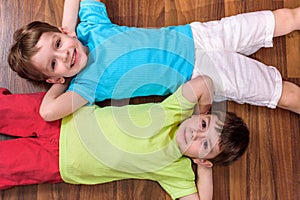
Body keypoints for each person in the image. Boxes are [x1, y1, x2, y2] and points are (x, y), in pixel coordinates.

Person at [8, 0, 300, 122]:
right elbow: (48, 112)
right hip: (205, 75)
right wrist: (61, 83)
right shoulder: (85, 86)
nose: (65, 55)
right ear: (54, 77)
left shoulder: (90, 28)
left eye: (58, 44)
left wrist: (68, 26)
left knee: (286, 17)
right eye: (54, 64)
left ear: (63, 33)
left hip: (200, 36)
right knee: (285, 95)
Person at [0, 75, 249, 200]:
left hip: (59, 161)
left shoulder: (176, 170)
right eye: (204, 125)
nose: (196, 132)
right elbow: (204, 83)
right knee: (6, 109)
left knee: (6, 165)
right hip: (65, 117)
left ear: (203, 159)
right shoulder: (176, 111)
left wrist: (204, 170)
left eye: (204, 144)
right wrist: (201, 112)